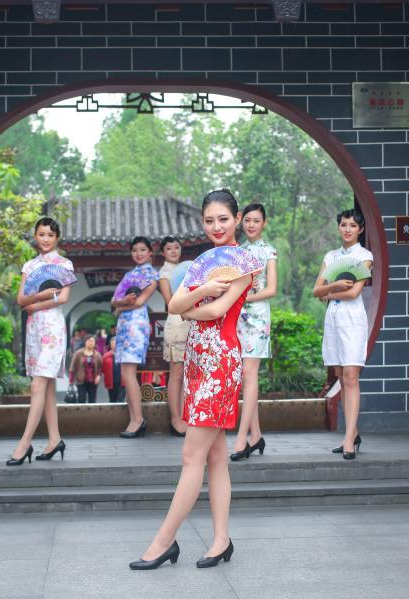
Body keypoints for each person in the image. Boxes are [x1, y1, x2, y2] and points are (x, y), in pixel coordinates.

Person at [130, 189, 258, 571]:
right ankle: (221, 540)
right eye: (209, 220)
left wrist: (191, 308)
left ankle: (163, 542)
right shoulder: (202, 262)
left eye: (223, 219)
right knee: (215, 457)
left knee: (191, 456)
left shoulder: (244, 262)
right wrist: (200, 292)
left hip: (220, 362)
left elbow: (219, 310)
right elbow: (173, 305)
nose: (216, 227)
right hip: (197, 359)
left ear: (237, 219)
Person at [9, 217, 71, 465]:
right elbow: (20, 300)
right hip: (34, 330)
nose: (45, 239)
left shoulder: (64, 264)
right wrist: (39, 295)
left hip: (53, 330)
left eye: (50, 235)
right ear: (35, 236)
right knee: (47, 388)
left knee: (38, 386)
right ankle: (55, 439)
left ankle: (24, 444)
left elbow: (64, 297)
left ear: (57, 238)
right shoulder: (30, 265)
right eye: (42, 234)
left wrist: (38, 303)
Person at [313, 209, 373, 460]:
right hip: (334, 319)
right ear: (338, 227)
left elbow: (354, 293)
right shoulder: (331, 256)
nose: (347, 229)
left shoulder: (365, 256)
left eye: (352, 225)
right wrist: (334, 286)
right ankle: (353, 433)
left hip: (352, 320)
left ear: (360, 229)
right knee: (340, 375)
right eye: (344, 225)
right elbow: (316, 290)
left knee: (351, 376)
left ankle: (349, 439)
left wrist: (330, 292)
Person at [232, 203, 278, 460]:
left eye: (256, 220)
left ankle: (241, 438)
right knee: (245, 376)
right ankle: (256, 435)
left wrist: (245, 297)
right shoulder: (238, 252)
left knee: (249, 373)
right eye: (247, 220)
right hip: (238, 317)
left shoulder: (269, 251)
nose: (251, 224)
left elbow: (271, 289)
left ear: (264, 224)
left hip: (258, 317)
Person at [112, 236, 159, 438]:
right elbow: (114, 301)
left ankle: (138, 420)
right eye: (134, 250)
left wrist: (121, 306)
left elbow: (139, 302)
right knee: (126, 373)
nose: (138, 254)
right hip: (124, 325)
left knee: (129, 373)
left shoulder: (152, 275)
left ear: (150, 252)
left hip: (136, 325)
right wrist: (122, 302)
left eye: (142, 249)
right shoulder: (129, 275)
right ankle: (134, 419)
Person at [158, 235, 191, 437]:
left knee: (188, 374)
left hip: (191, 322)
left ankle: (186, 416)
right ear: (163, 252)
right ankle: (175, 418)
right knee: (176, 373)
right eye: (169, 248)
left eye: (176, 247)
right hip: (176, 323)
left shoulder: (188, 269)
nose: (173, 251)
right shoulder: (164, 274)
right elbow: (170, 303)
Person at [69, 335, 102, 404]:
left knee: (92, 401)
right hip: (81, 381)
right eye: (89, 341)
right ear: (85, 342)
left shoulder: (97, 355)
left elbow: (100, 367)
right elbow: (72, 367)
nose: (90, 342)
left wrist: (99, 376)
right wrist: (71, 382)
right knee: (81, 399)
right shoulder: (78, 353)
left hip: (93, 381)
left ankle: (92, 412)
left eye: (92, 341)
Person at [102, 337, 123, 403]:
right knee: (112, 400)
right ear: (110, 345)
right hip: (111, 381)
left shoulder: (124, 355)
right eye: (113, 344)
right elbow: (103, 369)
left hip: (122, 381)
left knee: (121, 400)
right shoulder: (106, 356)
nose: (115, 345)